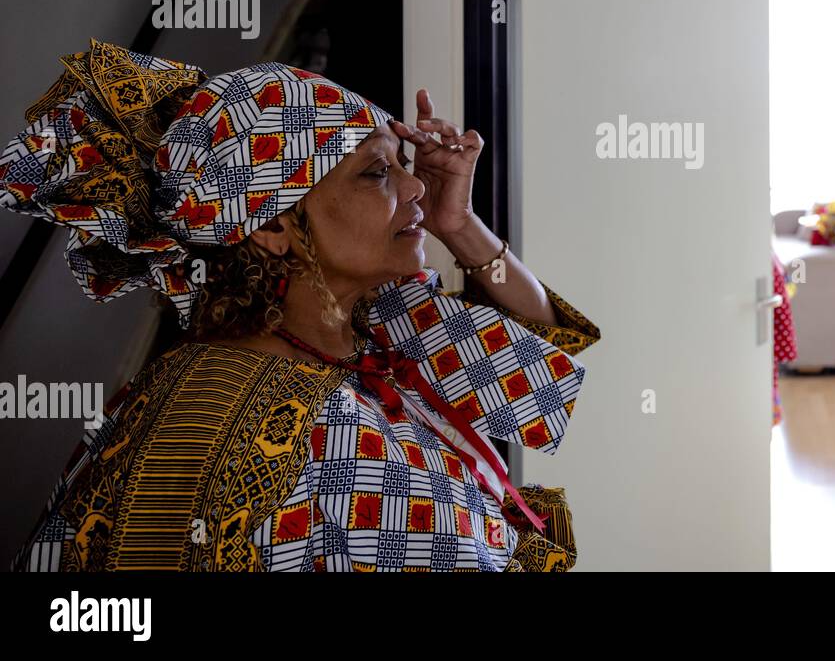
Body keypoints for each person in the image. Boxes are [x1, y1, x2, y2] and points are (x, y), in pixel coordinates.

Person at [1, 40, 600, 571]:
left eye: (403, 163)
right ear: (274, 227)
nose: (417, 186)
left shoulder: (367, 334)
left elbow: (537, 379)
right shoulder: (269, 432)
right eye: (374, 173)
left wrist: (460, 223)